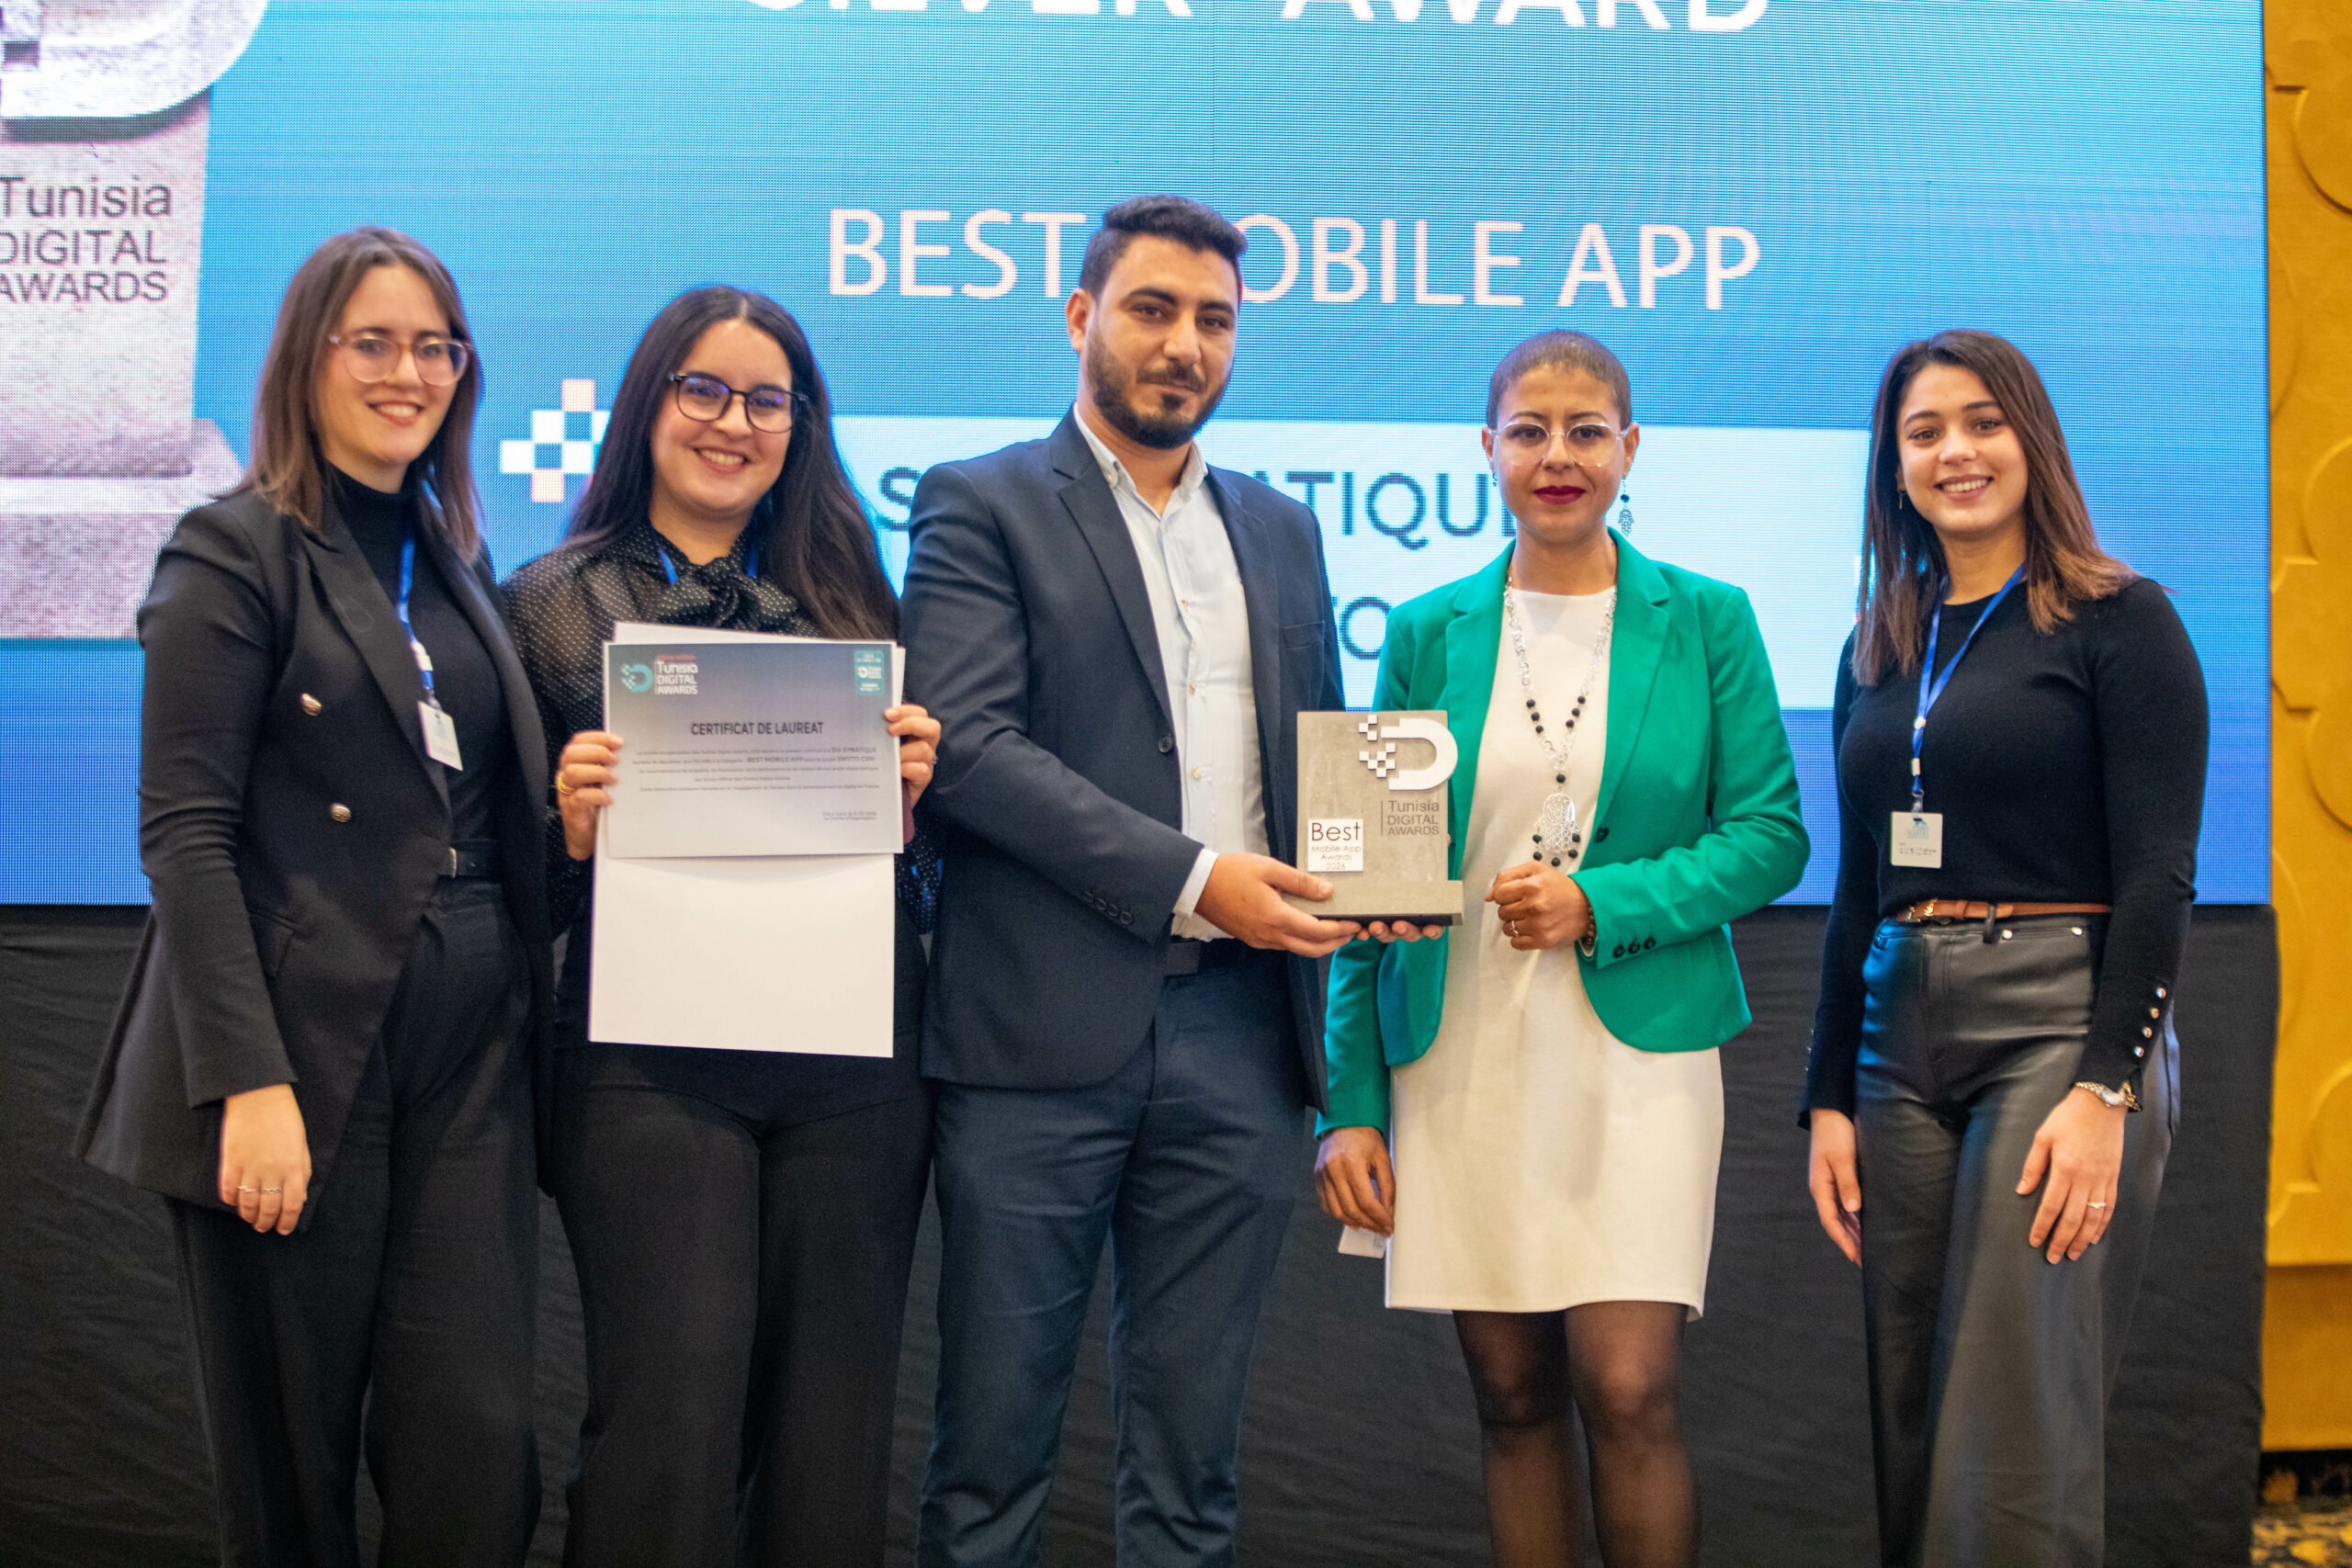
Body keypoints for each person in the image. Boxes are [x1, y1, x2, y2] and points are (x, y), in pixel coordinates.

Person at [75, 227, 548, 1567]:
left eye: (436, 348)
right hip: (295, 1052)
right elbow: (185, 834)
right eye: (374, 343)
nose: (410, 373)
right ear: (308, 358)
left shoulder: (455, 559)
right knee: (291, 1474)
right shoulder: (230, 552)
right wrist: (249, 1081)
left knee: (478, 1450)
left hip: (468, 1051)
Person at [900, 194, 1355, 1568]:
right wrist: (1200, 877)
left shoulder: (1280, 527)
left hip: (1242, 1037)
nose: (1184, 345)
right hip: (1036, 1033)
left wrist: (1366, 877)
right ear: (1081, 317)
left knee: (1192, 1470)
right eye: (1153, 310)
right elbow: (969, 751)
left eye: (1214, 319)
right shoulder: (979, 501)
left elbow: (1318, 757)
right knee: (991, 1459)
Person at [1314, 330, 1808, 1568]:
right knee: (1513, 1398)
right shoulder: (1421, 629)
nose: (1558, 456)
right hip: (1460, 1059)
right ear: (1486, 449)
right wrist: (1349, 1105)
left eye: (1587, 431)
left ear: (1630, 448)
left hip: (1640, 1061)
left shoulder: (1709, 618)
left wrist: (1599, 901)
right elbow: (1369, 893)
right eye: (1530, 431)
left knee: (1630, 1391)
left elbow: (1772, 837)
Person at [501, 285, 940, 1568]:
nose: (733, 423)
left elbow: (923, 882)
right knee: (666, 1428)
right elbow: (494, 883)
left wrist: (919, 801)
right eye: (704, 389)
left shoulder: (860, 604)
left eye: (766, 401)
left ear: (801, 427)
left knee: (829, 1442)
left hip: (856, 1073)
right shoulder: (545, 605)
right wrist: (562, 828)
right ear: (650, 404)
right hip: (649, 1068)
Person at [1802, 329, 2205, 1568]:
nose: (1955, 452)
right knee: (1913, 1405)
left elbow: (2158, 877)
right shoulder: (1879, 643)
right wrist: (1828, 1096)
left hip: (2058, 1029)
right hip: (1896, 1042)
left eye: (1982, 422)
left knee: (2013, 1412)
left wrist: (2106, 1087)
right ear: (1895, 467)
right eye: (1924, 432)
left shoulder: (2120, 619)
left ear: (2031, 439)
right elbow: (1858, 889)